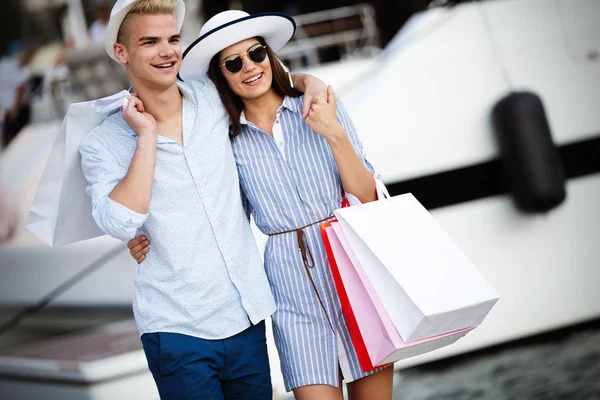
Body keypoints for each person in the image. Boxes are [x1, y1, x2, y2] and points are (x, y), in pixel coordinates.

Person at [129, 10, 394, 400]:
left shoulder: (319, 106)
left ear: (269, 55)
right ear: (222, 75)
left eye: (256, 54)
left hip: (352, 270)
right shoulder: (226, 139)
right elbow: (208, 206)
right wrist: (143, 232)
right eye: (233, 63)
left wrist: (333, 133)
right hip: (290, 292)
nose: (249, 67)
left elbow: (367, 197)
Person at [78, 1, 327, 399]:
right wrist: (145, 136)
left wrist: (309, 82)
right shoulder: (102, 143)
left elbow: (258, 80)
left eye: (173, 39)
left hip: (245, 317)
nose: (167, 51)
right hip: (177, 328)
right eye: (150, 42)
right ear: (121, 53)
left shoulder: (213, 98)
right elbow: (120, 222)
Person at [1, 40, 30, 148]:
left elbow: (20, 86)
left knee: (17, 145)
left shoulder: (8, 65)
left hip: (16, 111)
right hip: (8, 113)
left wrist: (16, 108)